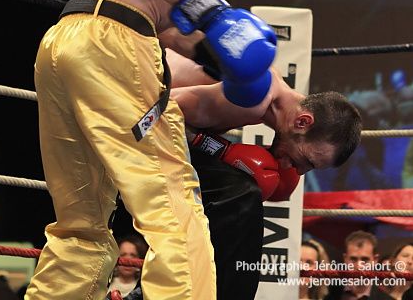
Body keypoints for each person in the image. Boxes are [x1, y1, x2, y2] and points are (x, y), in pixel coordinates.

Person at [25, 0, 288, 300]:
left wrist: (218, 59)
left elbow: (164, 28)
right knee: (174, 204)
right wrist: (220, 20)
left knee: (82, 220)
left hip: (66, 42)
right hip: (112, 42)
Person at [119, 53, 362, 300]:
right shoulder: (254, 98)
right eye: (306, 161)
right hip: (120, 122)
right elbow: (152, 114)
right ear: (302, 122)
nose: (298, 171)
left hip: (136, 140)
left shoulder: (266, 92)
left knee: (226, 200)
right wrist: (223, 150)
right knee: (242, 195)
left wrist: (220, 149)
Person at [325, 231, 389, 300]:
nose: (359, 266)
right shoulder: (330, 294)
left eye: (365, 260)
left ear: (375, 260)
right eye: (353, 259)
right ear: (345, 259)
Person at [107, 234, 148, 299]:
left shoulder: (146, 290)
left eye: (133, 255)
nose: (128, 260)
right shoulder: (102, 287)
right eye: (123, 254)